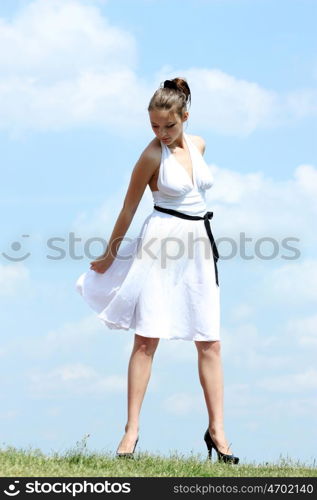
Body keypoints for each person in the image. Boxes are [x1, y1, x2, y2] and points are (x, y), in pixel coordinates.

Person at [76, 77, 239, 464]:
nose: (162, 133)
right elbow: (128, 209)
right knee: (147, 339)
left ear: (185, 116)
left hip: (198, 246)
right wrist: (109, 254)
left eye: (170, 125)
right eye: (154, 126)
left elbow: (197, 195)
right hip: (160, 245)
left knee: (210, 341)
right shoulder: (151, 157)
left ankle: (218, 431)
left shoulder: (198, 145)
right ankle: (130, 432)